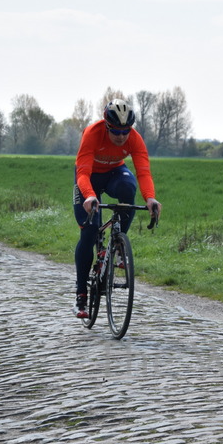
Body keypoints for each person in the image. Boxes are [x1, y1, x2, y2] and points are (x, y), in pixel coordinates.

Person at [72, 98, 161, 318]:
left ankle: (118, 243)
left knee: (127, 187)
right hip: (89, 178)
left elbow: (143, 172)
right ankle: (81, 294)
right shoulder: (93, 134)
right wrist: (90, 196)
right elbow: (82, 173)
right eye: (116, 132)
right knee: (90, 233)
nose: (121, 137)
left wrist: (150, 198)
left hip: (114, 174)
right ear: (106, 125)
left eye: (125, 132)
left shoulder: (135, 139)